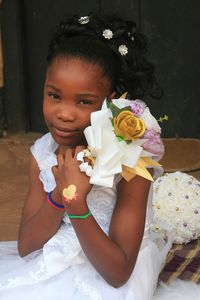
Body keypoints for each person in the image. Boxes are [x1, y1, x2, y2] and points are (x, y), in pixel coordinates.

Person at [0, 12, 172, 299]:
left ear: (112, 99)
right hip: (55, 256)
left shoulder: (131, 163)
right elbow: (27, 246)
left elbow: (118, 274)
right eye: (54, 95)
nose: (64, 114)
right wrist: (58, 195)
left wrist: (75, 201)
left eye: (84, 101)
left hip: (108, 267)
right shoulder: (43, 153)